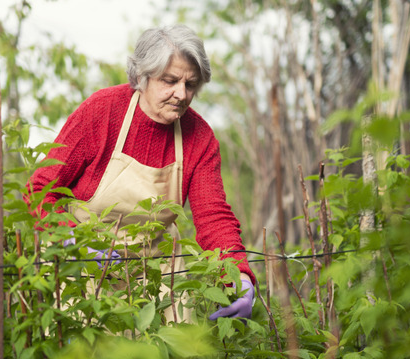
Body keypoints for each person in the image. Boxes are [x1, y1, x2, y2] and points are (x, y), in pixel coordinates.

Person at [26, 24, 255, 321]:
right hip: (84, 264)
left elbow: (213, 217)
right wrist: (69, 241)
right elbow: (40, 189)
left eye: (191, 84)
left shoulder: (199, 136)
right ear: (142, 76)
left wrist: (239, 275)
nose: (181, 94)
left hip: (158, 275)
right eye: (170, 81)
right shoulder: (102, 112)